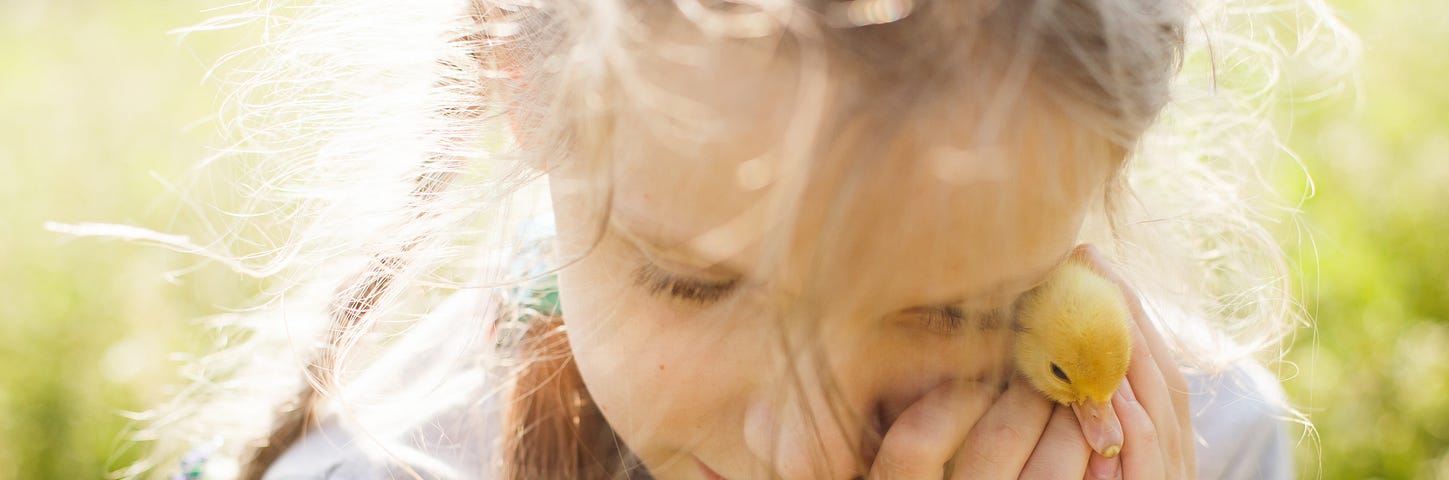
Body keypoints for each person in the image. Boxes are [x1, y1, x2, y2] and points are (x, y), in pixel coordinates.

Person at [133, 0, 1354, 478]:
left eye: (960, 307)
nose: (805, 451)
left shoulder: (1201, 447)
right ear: (519, 98)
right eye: (690, 282)